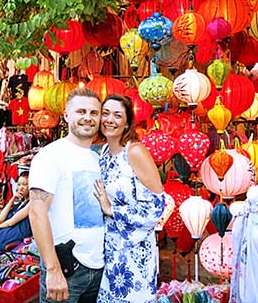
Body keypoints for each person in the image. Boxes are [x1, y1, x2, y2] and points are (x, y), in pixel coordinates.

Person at [29, 88, 105, 303]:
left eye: (94, 113)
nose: (88, 118)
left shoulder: (97, 158)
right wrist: (52, 269)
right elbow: (37, 212)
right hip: (67, 267)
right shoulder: (51, 155)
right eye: (81, 111)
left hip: (98, 266)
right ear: (66, 115)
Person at [93, 94, 165, 303]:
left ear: (126, 123)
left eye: (117, 115)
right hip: (110, 250)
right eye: (105, 114)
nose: (109, 120)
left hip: (134, 252)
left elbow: (156, 207)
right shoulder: (105, 152)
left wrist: (111, 209)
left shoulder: (134, 151)